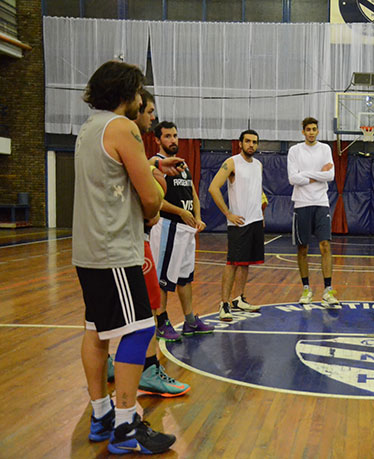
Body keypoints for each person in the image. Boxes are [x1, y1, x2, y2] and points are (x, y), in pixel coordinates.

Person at [73, 60, 175, 454]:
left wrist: (148, 165)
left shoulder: (90, 128)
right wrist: (156, 185)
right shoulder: (123, 127)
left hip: (88, 249)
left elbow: (111, 173)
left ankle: (100, 415)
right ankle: (126, 423)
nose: (140, 101)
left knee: (96, 331)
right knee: (140, 329)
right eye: (137, 94)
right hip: (115, 248)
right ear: (125, 95)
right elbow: (150, 199)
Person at [105, 89, 191, 397]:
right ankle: (148, 372)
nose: (151, 116)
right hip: (131, 240)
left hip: (105, 242)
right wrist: (158, 188)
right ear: (133, 107)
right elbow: (152, 204)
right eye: (148, 109)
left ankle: (104, 403)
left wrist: (155, 172)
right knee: (148, 308)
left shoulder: (96, 133)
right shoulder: (125, 135)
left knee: (100, 321)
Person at [149, 121, 214, 339]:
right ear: (157, 140)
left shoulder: (182, 165)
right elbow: (155, 201)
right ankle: (161, 321)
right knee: (164, 279)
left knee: (185, 278)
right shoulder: (155, 164)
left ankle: (190, 321)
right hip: (167, 226)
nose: (173, 140)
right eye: (167, 136)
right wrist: (180, 212)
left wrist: (197, 217)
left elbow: (192, 193)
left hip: (186, 229)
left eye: (175, 135)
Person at [208, 129, 264, 320]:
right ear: (240, 143)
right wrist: (228, 213)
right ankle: (223, 303)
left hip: (255, 220)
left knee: (245, 262)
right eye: (247, 141)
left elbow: (257, 191)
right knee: (232, 263)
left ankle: (238, 298)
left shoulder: (258, 165)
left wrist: (261, 215)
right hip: (239, 222)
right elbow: (213, 187)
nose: (251, 145)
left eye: (254, 142)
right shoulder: (231, 163)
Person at [287, 117, 339, 307]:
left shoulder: (325, 149)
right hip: (301, 203)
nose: (311, 132)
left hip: (321, 202)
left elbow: (330, 176)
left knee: (325, 245)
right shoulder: (294, 150)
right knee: (303, 248)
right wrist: (318, 175)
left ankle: (327, 290)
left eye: (314, 129)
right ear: (303, 132)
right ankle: (306, 289)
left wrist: (306, 175)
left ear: (318, 131)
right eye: (308, 129)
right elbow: (293, 179)